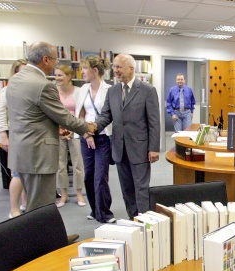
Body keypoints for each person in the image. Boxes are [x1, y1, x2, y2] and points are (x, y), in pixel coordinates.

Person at [6, 41, 96, 212]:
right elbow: (64, 117)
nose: (56, 65)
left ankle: (51, 237)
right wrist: (88, 128)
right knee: (41, 206)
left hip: (21, 151)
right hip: (38, 154)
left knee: (31, 202)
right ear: (45, 59)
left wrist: (54, 127)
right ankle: (43, 239)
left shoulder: (15, 79)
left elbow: (30, 114)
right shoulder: (43, 85)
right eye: (55, 60)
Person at [95, 54, 160, 219]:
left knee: (141, 188)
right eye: (114, 67)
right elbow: (105, 116)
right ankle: (133, 218)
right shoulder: (112, 91)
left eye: (119, 67)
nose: (115, 71)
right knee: (127, 188)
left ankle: (145, 221)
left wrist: (154, 148)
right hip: (119, 148)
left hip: (140, 148)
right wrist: (93, 127)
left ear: (131, 69)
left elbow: (154, 122)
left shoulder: (147, 90)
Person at [75, 55, 115, 223]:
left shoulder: (110, 89)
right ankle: (94, 208)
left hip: (103, 137)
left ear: (95, 70)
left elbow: (110, 115)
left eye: (84, 68)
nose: (82, 72)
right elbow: (80, 113)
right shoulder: (83, 89)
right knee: (88, 176)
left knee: (100, 177)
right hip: (85, 137)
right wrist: (86, 134)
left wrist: (94, 132)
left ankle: (104, 213)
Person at [0, 59, 28, 218]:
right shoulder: (7, 91)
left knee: (29, 174)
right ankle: (14, 209)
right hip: (16, 137)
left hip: (30, 137)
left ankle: (26, 205)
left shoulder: (30, 89)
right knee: (18, 173)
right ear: (14, 73)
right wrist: (3, 136)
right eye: (21, 72)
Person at [54, 64, 86, 208]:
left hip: (76, 131)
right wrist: (60, 128)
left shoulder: (79, 92)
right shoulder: (53, 91)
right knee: (60, 165)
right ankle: (63, 195)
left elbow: (82, 113)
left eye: (60, 75)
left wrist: (74, 129)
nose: (57, 78)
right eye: (56, 75)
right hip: (57, 131)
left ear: (69, 76)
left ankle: (79, 193)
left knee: (78, 164)